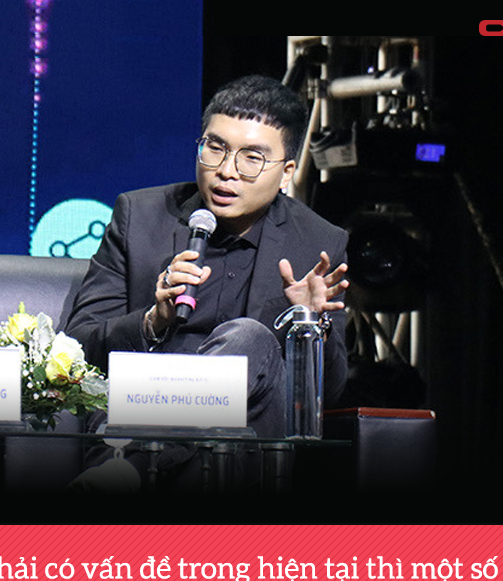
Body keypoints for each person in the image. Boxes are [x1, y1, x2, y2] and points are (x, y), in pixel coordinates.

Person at [65, 75, 349, 491]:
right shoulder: (139, 218)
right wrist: (151, 322)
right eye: (215, 148)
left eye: (252, 158)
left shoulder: (317, 243)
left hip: (242, 447)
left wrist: (308, 327)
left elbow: (332, 394)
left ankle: (133, 468)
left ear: (286, 172)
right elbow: (77, 346)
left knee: (250, 337)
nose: (225, 172)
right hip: (136, 411)